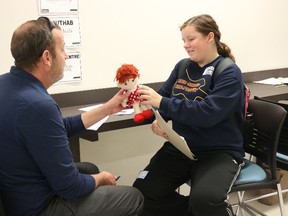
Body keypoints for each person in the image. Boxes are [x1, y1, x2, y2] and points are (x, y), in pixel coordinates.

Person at [0, 17, 143, 216]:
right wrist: (102, 178)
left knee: (88, 168)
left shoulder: (8, 86)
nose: (66, 56)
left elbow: (56, 129)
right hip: (39, 208)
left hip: (16, 194)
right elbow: (69, 186)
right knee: (132, 197)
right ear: (47, 57)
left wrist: (108, 108)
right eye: (63, 49)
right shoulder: (38, 105)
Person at [133, 14, 245, 216]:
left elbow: (207, 114)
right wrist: (154, 118)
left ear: (210, 37)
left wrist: (161, 102)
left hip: (218, 152)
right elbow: (163, 102)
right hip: (183, 147)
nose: (186, 45)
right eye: (183, 40)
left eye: (191, 39)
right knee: (142, 193)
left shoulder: (229, 72)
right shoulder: (183, 66)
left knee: (206, 200)